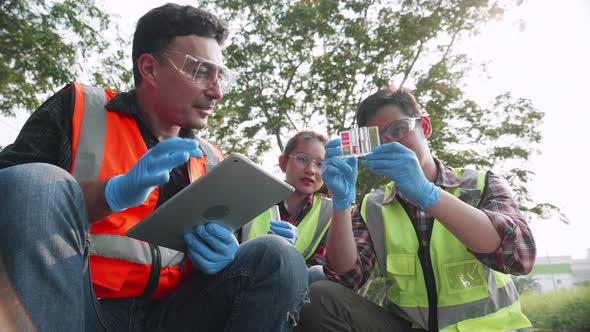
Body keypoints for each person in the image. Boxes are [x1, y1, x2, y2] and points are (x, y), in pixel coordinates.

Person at [0, 4, 308, 331]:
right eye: (201, 71)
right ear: (149, 68)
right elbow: (15, 199)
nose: (216, 92)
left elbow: (211, 268)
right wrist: (111, 193)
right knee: (34, 181)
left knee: (278, 256)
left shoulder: (214, 161)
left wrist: (221, 258)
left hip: (173, 316)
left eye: (221, 77)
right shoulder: (78, 108)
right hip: (77, 306)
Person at [298, 88, 536, 332]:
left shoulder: (480, 184)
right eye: (378, 140)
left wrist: (427, 193)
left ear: (425, 126)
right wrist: (341, 203)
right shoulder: (373, 206)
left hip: (492, 328)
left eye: (399, 129)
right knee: (321, 295)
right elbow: (345, 278)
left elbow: (520, 256)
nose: (391, 144)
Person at [241, 131, 346, 285]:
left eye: (320, 164)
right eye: (302, 159)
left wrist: (289, 258)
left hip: (289, 287)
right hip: (240, 275)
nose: (311, 170)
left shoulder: (331, 213)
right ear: (283, 163)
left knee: (318, 274)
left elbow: (321, 266)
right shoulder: (251, 193)